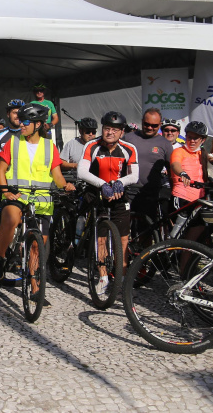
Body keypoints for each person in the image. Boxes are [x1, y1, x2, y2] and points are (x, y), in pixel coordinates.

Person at [0, 103, 74, 298]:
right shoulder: (12, 142)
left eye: (26, 121)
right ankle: (1, 257)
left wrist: (65, 186)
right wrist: (5, 191)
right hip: (17, 196)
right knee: (11, 219)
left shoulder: (49, 146)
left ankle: (35, 287)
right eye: (21, 120)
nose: (21, 124)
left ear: (38, 124)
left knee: (37, 248)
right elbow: (1, 169)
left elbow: (56, 174)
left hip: (41, 201)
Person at [77, 111, 138, 296]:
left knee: (123, 239)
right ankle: (103, 277)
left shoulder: (129, 148)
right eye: (107, 128)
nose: (110, 132)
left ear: (122, 132)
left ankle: (122, 280)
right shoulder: (92, 145)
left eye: (115, 129)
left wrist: (120, 182)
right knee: (101, 237)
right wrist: (103, 185)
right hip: (97, 194)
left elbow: (134, 175)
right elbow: (82, 172)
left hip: (119, 195)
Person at [123, 108, 174, 226]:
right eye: (147, 124)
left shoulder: (165, 144)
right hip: (128, 191)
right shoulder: (128, 138)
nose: (150, 128)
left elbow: (171, 169)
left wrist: (173, 190)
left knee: (146, 228)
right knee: (124, 227)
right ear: (142, 122)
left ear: (160, 125)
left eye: (154, 125)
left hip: (150, 193)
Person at [169, 121, 208, 231]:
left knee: (199, 227)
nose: (192, 141)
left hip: (198, 199)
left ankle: (186, 248)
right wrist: (182, 173)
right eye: (189, 137)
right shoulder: (179, 151)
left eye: (196, 138)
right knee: (179, 229)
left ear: (203, 140)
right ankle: (170, 247)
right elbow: (175, 164)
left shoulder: (202, 153)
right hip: (182, 196)